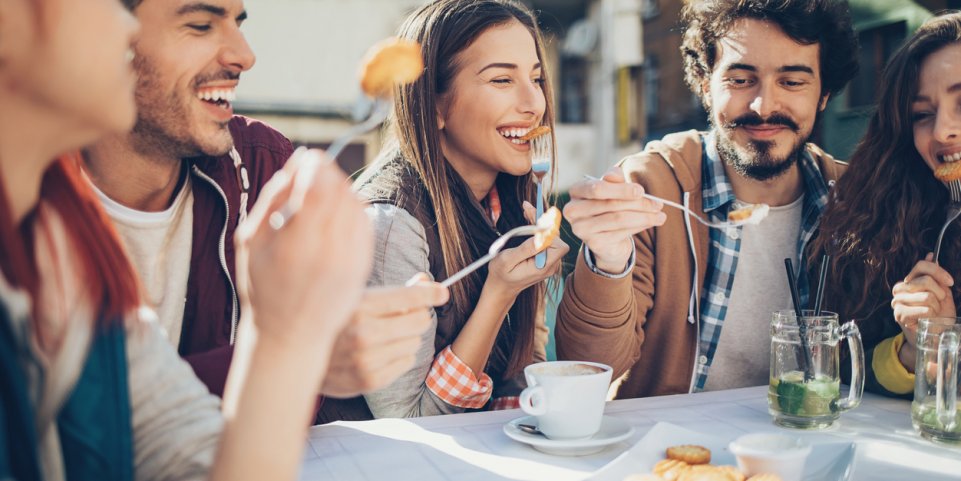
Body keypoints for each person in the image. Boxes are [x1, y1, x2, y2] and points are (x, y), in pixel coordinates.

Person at [0, 0, 374, 479]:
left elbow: (202, 462)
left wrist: (285, 336)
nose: (124, 27)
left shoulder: (64, 246)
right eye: (107, 5)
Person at [81, 0, 447, 422]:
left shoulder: (262, 167)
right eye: (200, 25)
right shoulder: (31, 198)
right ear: (99, 33)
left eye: (238, 23)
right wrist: (286, 353)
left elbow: (301, 403)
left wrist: (325, 345)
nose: (245, 56)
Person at [556, 0, 858, 398]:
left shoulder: (854, 201)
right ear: (704, 84)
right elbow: (589, 369)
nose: (763, 106)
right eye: (740, 79)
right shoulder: (651, 187)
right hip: (670, 450)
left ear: (824, 94)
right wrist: (608, 260)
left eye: (792, 82)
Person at [354, 0, 569, 417]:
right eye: (502, 80)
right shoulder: (390, 223)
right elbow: (407, 422)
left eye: (537, 78)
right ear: (434, 106)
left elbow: (520, 374)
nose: (534, 103)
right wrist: (499, 293)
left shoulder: (510, 205)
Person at [814, 11, 961, 399]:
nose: (943, 129)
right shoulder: (896, 226)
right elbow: (847, 368)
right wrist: (920, 346)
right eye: (922, 115)